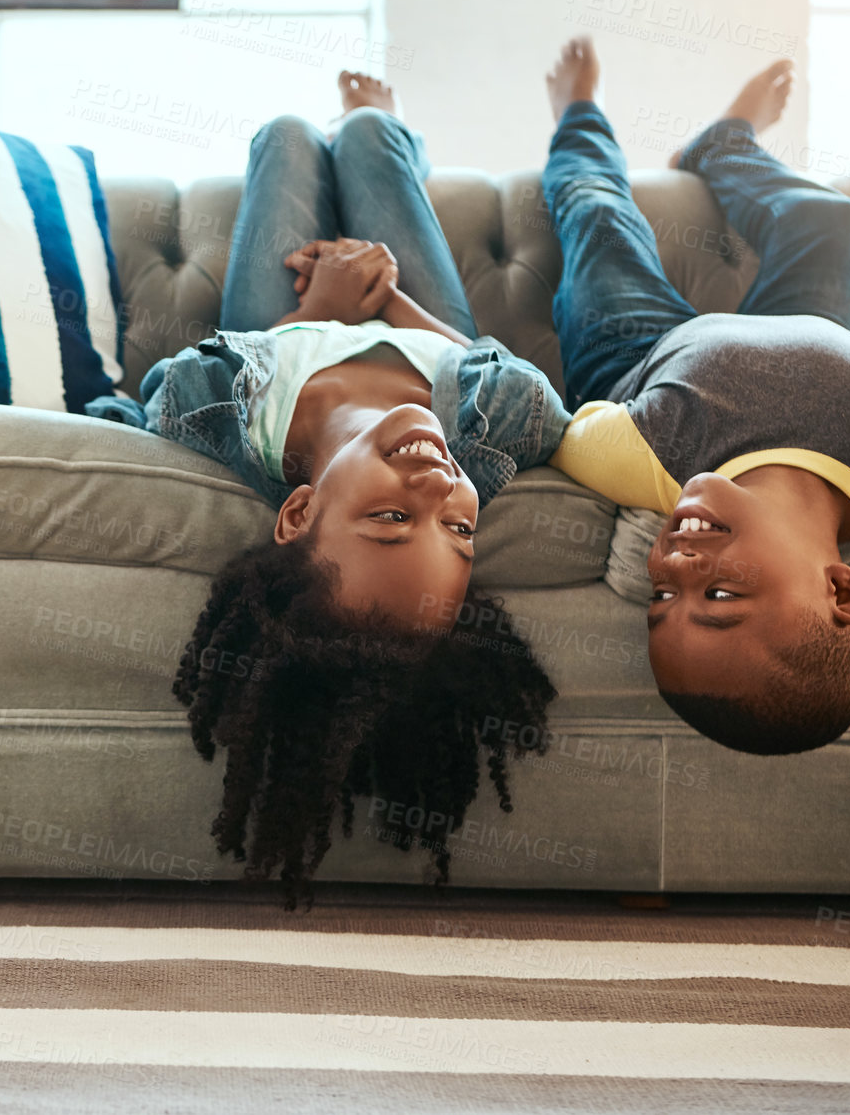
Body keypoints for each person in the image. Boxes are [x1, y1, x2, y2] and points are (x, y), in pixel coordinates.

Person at [89, 73, 563, 907]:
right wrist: (390, 301)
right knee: (375, 138)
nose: (437, 486)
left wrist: (320, 310)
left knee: (280, 133)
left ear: (300, 512)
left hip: (287, 325)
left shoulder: (211, 412)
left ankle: (335, 141)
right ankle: (382, 125)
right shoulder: (496, 429)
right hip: (415, 319)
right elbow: (514, 375)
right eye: (457, 531)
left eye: (391, 517)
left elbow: (163, 383)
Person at [538, 36, 850, 756]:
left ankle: (578, 112)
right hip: (809, 330)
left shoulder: (645, 461)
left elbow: (574, 426)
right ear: (840, 592)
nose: (672, 568)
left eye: (661, 600)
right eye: (722, 598)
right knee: (831, 220)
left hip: (641, 349)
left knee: (597, 215)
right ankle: (723, 144)